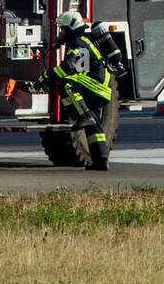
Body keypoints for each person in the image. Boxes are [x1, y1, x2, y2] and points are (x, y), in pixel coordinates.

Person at [36, 10, 113, 170]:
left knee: (67, 84)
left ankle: (83, 115)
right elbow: (78, 68)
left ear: (70, 28)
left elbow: (68, 68)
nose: (60, 32)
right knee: (95, 128)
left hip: (97, 86)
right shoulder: (80, 41)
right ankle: (101, 162)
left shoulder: (79, 42)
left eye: (62, 30)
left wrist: (46, 77)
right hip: (96, 86)